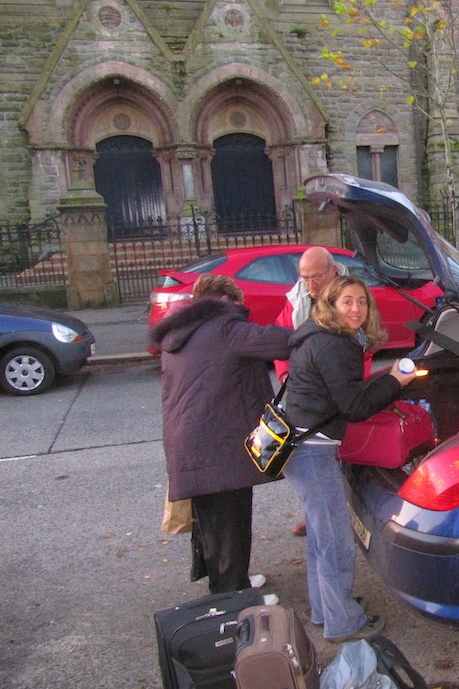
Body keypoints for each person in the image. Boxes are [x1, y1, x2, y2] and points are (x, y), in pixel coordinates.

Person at [283, 275, 417, 642]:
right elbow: (354, 407)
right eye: (347, 301)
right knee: (335, 539)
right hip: (312, 450)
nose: (356, 308)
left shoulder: (318, 335)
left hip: (300, 445)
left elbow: (342, 392)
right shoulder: (336, 345)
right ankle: (343, 623)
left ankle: (325, 609)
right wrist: (396, 383)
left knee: (320, 536)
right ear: (331, 304)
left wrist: (383, 380)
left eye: (361, 301)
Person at [150, 274, 292, 598]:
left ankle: (232, 583)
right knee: (231, 522)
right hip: (220, 442)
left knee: (213, 524)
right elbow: (280, 341)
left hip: (188, 441)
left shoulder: (179, 331)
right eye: (239, 305)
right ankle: (235, 599)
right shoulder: (226, 326)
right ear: (227, 301)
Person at [274, 246, 346, 537]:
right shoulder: (297, 300)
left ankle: (331, 510)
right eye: (305, 278)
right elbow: (283, 340)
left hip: (337, 390)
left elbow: (365, 343)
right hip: (306, 391)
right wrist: (285, 374)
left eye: (317, 277)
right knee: (312, 457)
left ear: (333, 270)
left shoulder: (352, 296)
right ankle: (316, 511)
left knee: (334, 453)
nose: (311, 285)